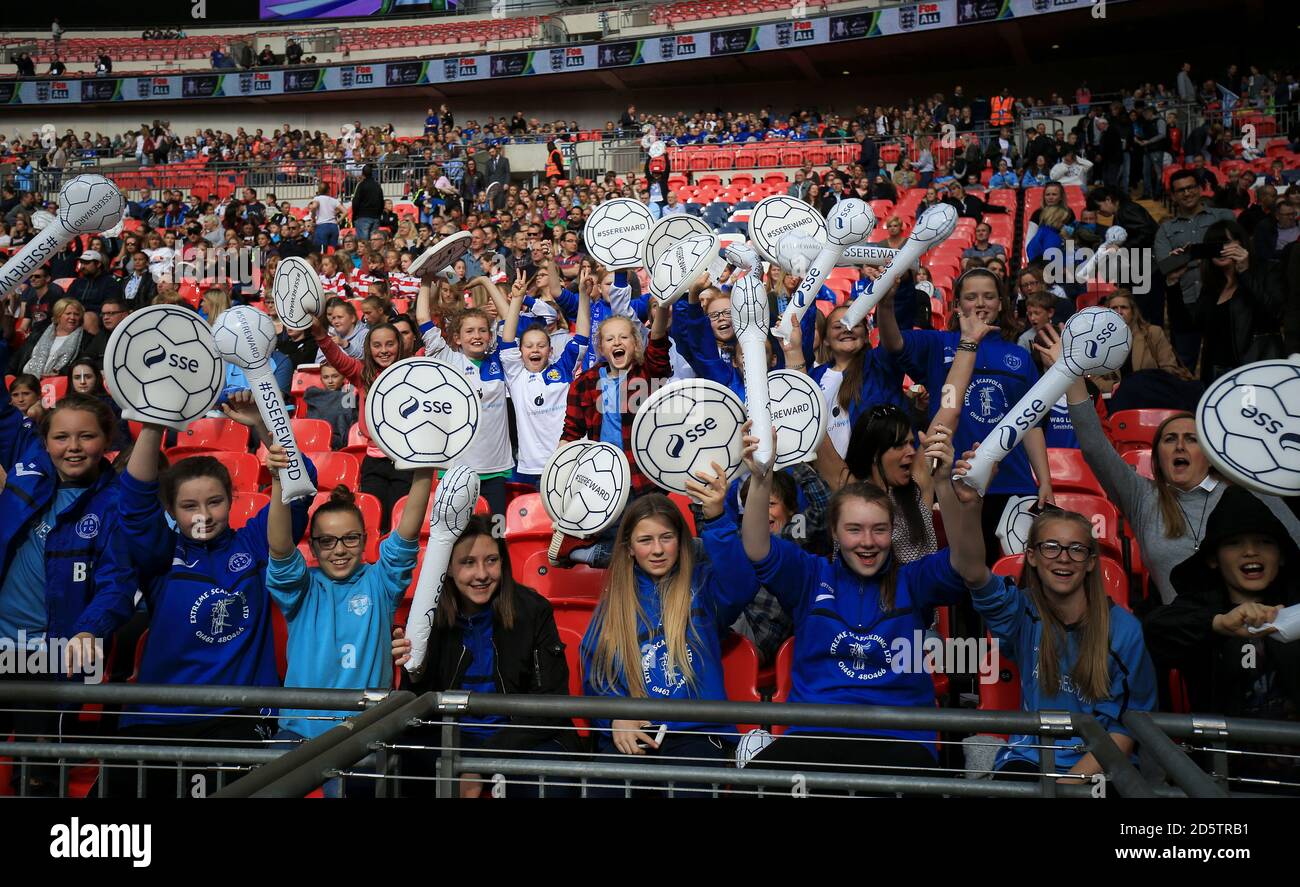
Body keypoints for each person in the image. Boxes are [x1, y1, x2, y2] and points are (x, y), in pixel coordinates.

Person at [739, 425, 989, 778]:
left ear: (892, 530)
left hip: (899, 737)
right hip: (816, 732)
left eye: (879, 529)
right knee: (755, 784)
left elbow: (969, 565)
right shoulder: (810, 577)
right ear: (835, 533)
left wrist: (945, 486)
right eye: (854, 529)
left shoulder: (912, 581)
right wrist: (762, 480)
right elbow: (756, 546)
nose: (867, 542)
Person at [109, 393, 315, 797]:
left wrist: (263, 424)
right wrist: (151, 423)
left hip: (235, 715)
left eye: (215, 502)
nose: (203, 515)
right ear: (170, 509)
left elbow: (300, 484)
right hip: (157, 720)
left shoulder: (253, 544)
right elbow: (131, 504)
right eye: (188, 506)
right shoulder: (161, 555)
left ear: (231, 500)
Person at [1039, 327, 1300, 607]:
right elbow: (1094, 447)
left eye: (1191, 439)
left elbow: (1295, 542)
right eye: (1169, 439)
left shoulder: (1246, 492)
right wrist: (1071, 373)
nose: (1179, 447)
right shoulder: (1142, 497)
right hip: (1181, 635)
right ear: (1157, 455)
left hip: (1254, 629)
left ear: (1210, 453)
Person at [0, 355, 135, 793]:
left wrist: (88, 631)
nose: (73, 446)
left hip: (53, 653)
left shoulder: (114, 505)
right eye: (60, 437)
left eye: (86, 436)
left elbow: (117, 584)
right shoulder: (27, 472)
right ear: (43, 441)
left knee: (36, 767)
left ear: (106, 441)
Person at [266, 462, 432, 795]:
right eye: (326, 542)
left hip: (363, 735)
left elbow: (406, 536)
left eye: (350, 539)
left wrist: (424, 468)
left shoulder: (380, 584)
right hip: (298, 734)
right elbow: (281, 549)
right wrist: (276, 481)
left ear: (365, 539)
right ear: (312, 547)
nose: (339, 549)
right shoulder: (302, 589)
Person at [580, 486, 758, 790]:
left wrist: (716, 520)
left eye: (666, 538)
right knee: (602, 786)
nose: (658, 550)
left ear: (681, 541)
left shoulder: (703, 588)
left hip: (697, 734)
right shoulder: (615, 606)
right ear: (629, 548)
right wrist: (614, 719)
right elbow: (597, 677)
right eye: (645, 540)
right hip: (639, 728)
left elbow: (741, 585)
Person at [392, 515, 580, 797]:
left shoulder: (533, 610)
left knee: (551, 780)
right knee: (396, 764)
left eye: (491, 560)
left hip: (522, 736)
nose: (481, 574)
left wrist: (479, 762)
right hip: (448, 738)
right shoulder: (426, 616)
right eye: (468, 563)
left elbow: (550, 701)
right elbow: (417, 709)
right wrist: (413, 670)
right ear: (450, 569)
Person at [973, 508, 1157, 779]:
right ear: (1032, 556)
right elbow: (971, 571)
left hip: (1101, 763)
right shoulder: (1022, 613)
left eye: (1076, 549)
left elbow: (1124, 732)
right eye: (1051, 547)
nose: (1064, 558)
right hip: (1029, 758)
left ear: (1091, 561)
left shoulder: (1125, 631)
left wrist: (1065, 787)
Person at [893, 269, 1054, 559]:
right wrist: (885, 303)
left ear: (1001, 304)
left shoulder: (1018, 356)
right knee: (960, 576)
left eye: (989, 296)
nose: (980, 303)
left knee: (1010, 576)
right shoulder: (937, 344)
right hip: (952, 479)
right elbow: (894, 343)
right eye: (971, 297)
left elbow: (1030, 424)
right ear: (957, 306)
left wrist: (1044, 480)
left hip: (1012, 483)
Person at [1145, 488, 1300, 737]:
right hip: (1222, 766)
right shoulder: (1197, 609)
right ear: (1213, 559)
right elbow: (1153, 630)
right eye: (1234, 543)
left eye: (1264, 542)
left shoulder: (1296, 605)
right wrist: (1218, 624)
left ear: (1281, 557)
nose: (1250, 551)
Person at [417, 277, 516, 517]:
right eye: (469, 331)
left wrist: (485, 282)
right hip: (455, 469)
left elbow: (509, 318)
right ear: (457, 338)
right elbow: (423, 319)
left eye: (483, 330)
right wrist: (425, 279)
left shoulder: (500, 359)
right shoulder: (449, 360)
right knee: (456, 539)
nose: (477, 335)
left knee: (495, 539)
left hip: (495, 468)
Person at [311, 315, 409, 532]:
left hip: (405, 463)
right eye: (377, 345)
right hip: (374, 463)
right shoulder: (361, 373)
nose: (384, 350)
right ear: (368, 348)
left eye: (390, 344)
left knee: (400, 523)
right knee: (373, 521)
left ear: (399, 345)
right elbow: (336, 358)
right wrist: (320, 334)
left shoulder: (412, 371)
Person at [494, 270, 589, 488]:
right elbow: (507, 339)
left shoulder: (563, 369)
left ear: (550, 349)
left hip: (570, 461)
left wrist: (583, 295)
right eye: (528, 346)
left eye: (541, 345)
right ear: (520, 351)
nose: (535, 349)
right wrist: (517, 300)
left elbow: (582, 337)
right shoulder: (516, 375)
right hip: (535, 469)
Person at [1155, 168, 1237, 370]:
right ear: (1173, 196)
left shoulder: (1223, 217)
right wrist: (1207, 253)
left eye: (1191, 187)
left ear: (1201, 189)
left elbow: (1234, 250)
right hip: (1185, 303)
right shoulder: (1165, 229)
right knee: (1184, 362)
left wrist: (1186, 256)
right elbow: (1166, 266)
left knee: (1225, 360)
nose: (1187, 193)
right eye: (1180, 190)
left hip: (1223, 298)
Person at [1193, 219, 1285, 384]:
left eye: (1226, 243)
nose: (1220, 250)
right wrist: (1173, 284)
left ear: (1241, 243)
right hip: (1216, 373)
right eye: (1214, 245)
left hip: (1254, 369)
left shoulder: (1267, 270)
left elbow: (1274, 314)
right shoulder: (1213, 284)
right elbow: (1195, 325)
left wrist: (1245, 273)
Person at [15, 298, 91, 378]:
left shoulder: (86, 340)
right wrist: (9, 374)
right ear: (58, 316)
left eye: (76, 314)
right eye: (68, 314)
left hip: (56, 382)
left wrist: (60, 373)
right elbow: (19, 356)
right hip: (26, 378)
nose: (72, 317)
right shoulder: (39, 333)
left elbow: (82, 364)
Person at [351, 164, 385, 242]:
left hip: (363, 217)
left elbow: (355, 202)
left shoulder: (361, 185)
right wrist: (379, 215)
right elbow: (381, 202)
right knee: (373, 242)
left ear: (362, 174)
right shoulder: (377, 186)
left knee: (363, 243)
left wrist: (354, 215)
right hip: (375, 217)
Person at [309, 184, 341, 251]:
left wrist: (313, 217)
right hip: (333, 226)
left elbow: (314, 207)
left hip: (322, 226)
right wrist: (338, 221)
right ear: (328, 190)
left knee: (321, 250)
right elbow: (345, 212)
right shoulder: (334, 200)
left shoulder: (317, 198)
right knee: (332, 250)